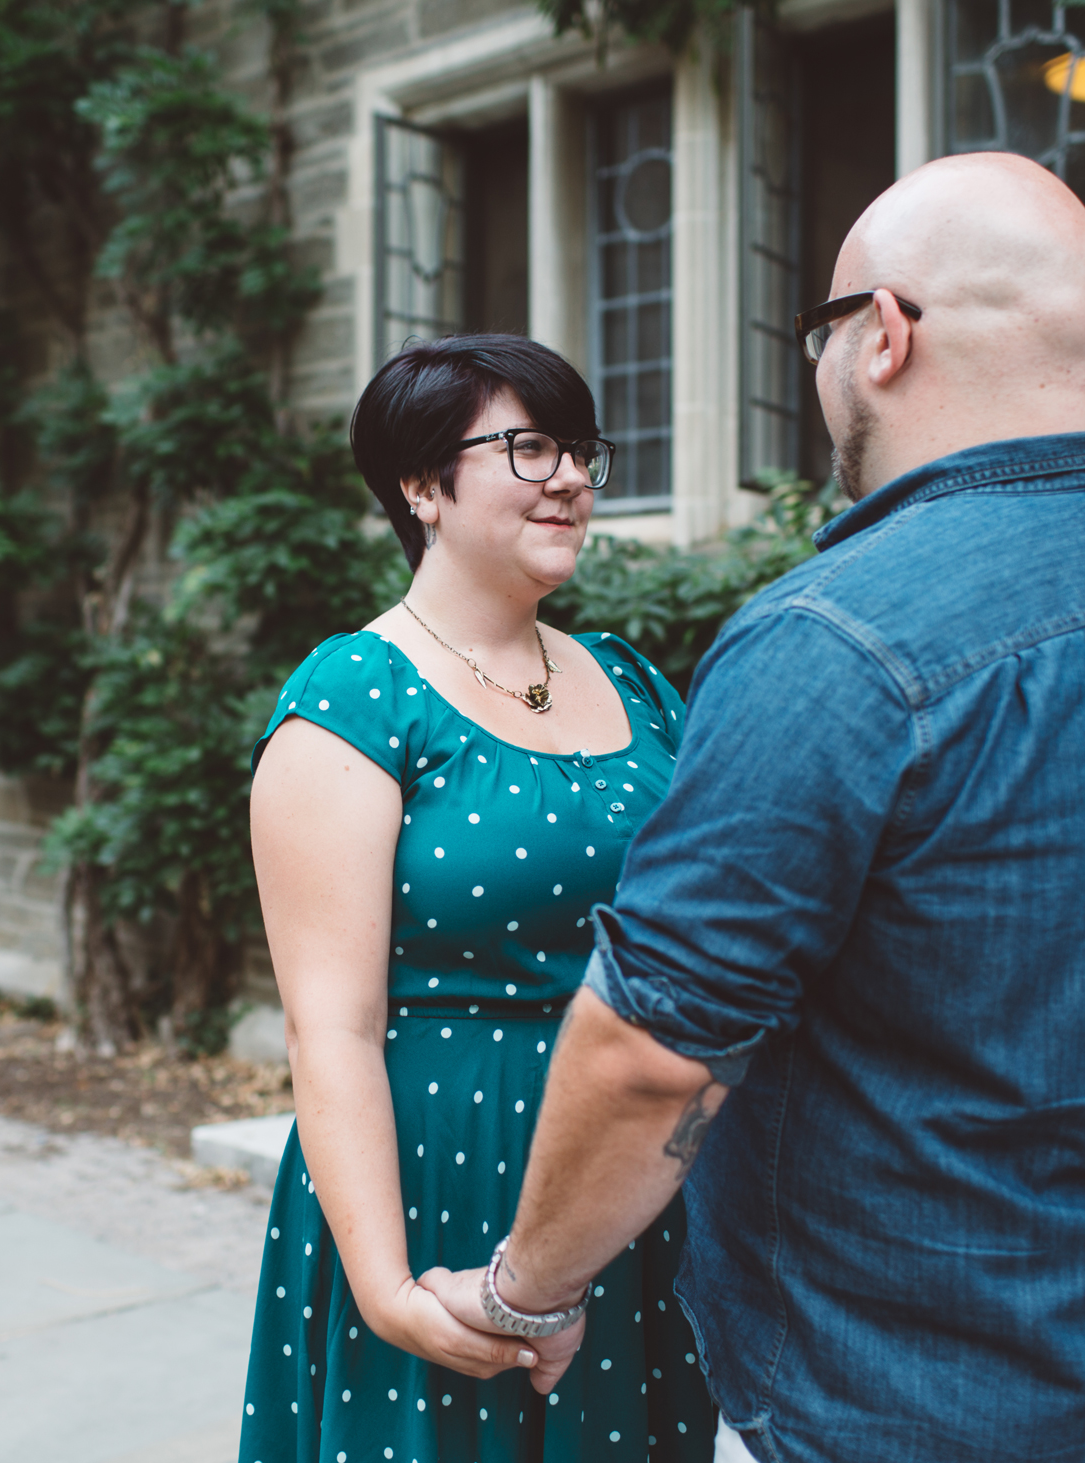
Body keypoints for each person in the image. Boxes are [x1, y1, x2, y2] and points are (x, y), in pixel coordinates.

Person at [425, 154, 1085, 1463]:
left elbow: (650, 1050)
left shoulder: (832, 641)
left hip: (904, 1398)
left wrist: (524, 1289)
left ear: (880, 335)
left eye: (820, 333)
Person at [236, 335, 716, 1463]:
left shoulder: (634, 679)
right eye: (528, 446)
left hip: (621, 1186)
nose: (566, 478)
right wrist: (390, 1289)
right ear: (420, 484)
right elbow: (331, 1025)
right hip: (437, 1181)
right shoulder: (356, 694)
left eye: (578, 451)